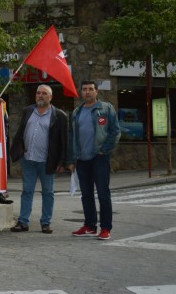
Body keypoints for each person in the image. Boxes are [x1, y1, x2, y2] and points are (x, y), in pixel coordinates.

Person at [9, 84, 68, 234]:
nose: (40, 96)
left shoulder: (59, 115)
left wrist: (62, 161)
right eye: (38, 93)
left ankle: (46, 222)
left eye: (44, 93)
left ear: (50, 97)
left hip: (47, 161)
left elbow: (63, 140)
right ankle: (23, 222)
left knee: (48, 192)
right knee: (27, 191)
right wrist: (18, 150)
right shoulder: (28, 111)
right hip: (28, 159)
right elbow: (21, 131)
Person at [67, 81, 121, 240]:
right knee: (86, 195)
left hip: (99, 158)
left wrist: (104, 151)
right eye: (84, 89)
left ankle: (105, 228)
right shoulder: (76, 112)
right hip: (82, 159)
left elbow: (115, 131)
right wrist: (71, 159)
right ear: (81, 92)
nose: (87, 92)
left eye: (91, 89)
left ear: (96, 91)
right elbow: (72, 137)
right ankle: (90, 226)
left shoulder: (106, 108)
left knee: (103, 194)